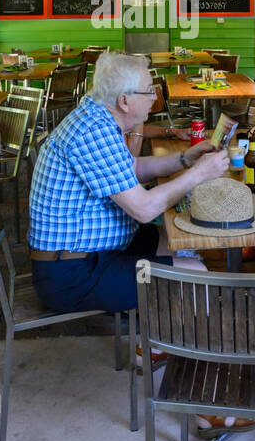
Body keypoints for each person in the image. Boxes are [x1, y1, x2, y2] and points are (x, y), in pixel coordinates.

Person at [27, 52, 229, 316]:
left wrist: (185, 159)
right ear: (125, 100)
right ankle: (155, 351)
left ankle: (154, 323)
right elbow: (144, 209)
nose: (155, 97)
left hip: (92, 255)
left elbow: (132, 169)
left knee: (172, 239)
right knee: (194, 274)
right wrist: (200, 174)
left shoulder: (98, 117)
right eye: (148, 91)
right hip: (73, 276)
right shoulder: (93, 131)